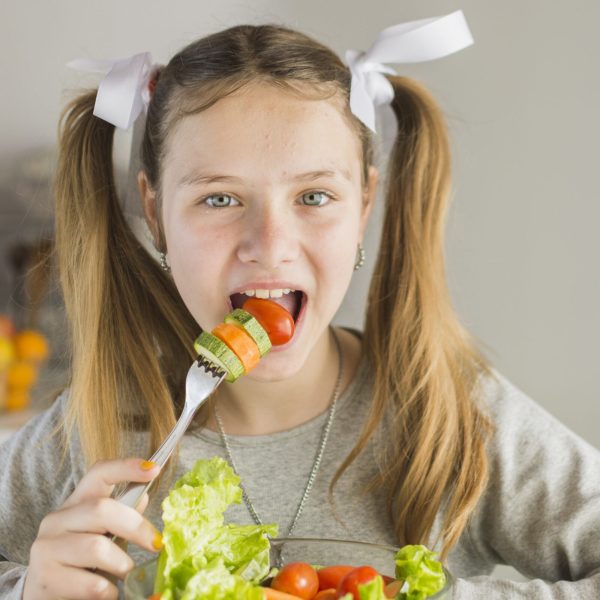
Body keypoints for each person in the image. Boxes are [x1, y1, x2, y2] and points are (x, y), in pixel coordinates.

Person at [1, 12, 599, 600]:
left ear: (364, 205)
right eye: (219, 198)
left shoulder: (452, 414)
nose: (271, 246)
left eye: (314, 196)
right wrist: (29, 590)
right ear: (154, 213)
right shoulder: (85, 432)